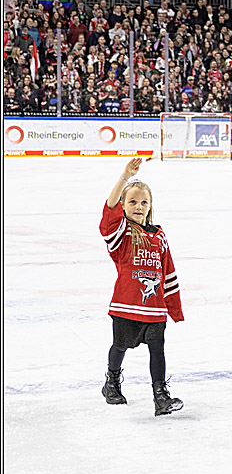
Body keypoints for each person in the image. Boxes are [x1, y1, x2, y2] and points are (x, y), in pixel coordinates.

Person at [99, 158, 184, 417]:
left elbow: (167, 271)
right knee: (120, 346)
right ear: (123, 206)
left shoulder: (159, 235)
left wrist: (174, 308)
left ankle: (161, 397)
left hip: (154, 307)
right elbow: (108, 209)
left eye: (144, 202)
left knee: (158, 349)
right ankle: (111, 381)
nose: (139, 206)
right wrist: (125, 176)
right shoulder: (121, 234)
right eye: (133, 202)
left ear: (150, 206)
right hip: (126, 305)